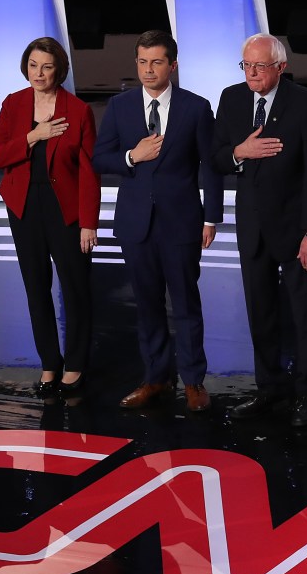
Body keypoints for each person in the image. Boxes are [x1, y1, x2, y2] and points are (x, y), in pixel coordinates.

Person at [92, 30, 223, 411]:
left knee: (185, 304)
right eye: (142, 62)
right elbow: (101, 158)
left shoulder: (196, 108)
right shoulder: (119, 106)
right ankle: (155, 378)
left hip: (181, 223)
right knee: (147, 304)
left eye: (157, 62)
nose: (148, 70)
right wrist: (132, 156)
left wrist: (211, 217)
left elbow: (210, 169)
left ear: (173, 65)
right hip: (136, 223)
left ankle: (194, 381)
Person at [212, 33, 307, 426]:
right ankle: (269, 389)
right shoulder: (231, 99)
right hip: (252, 227)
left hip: (296, 229)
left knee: (305, 314)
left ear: (280, 67)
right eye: (246, 65)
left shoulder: (306, 104)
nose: (252, 73)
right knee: (260, 312)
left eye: (260, 66)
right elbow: (214, 156)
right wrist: (237, 153)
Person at [0, 37, 100, 404]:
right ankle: (49, 362)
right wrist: (33, 136)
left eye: (47, 66)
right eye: (33, 65)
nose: (39, 73)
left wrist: (88, 222)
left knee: (76, 288)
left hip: (65, 209)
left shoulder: (78, 110)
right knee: (36, 287)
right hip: (24, 206)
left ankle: (76, 363)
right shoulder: (14, 103)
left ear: (60, 70)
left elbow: (88, 172)